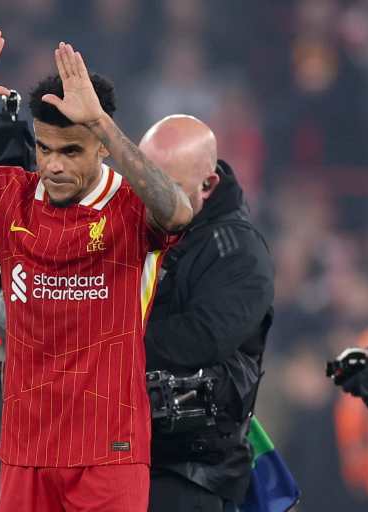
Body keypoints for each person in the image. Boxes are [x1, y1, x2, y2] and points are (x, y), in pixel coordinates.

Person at [0, 36, 192, 511]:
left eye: (72, 151)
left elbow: (179, 213)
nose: (54, 166)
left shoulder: (131, 206)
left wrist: (103, 123)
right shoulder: (7, 195)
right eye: (45, 149)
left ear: (102, 147)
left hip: (109, 452)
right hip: (26, 453)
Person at [139, 116, 275, 511]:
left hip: (192, 474)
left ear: (208, 185)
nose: (151, 199)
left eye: (168, 189)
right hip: (123, 455)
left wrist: (102, 344)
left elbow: (202, 338)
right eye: (143, 183)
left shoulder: (239, 251)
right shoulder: (134, 228)